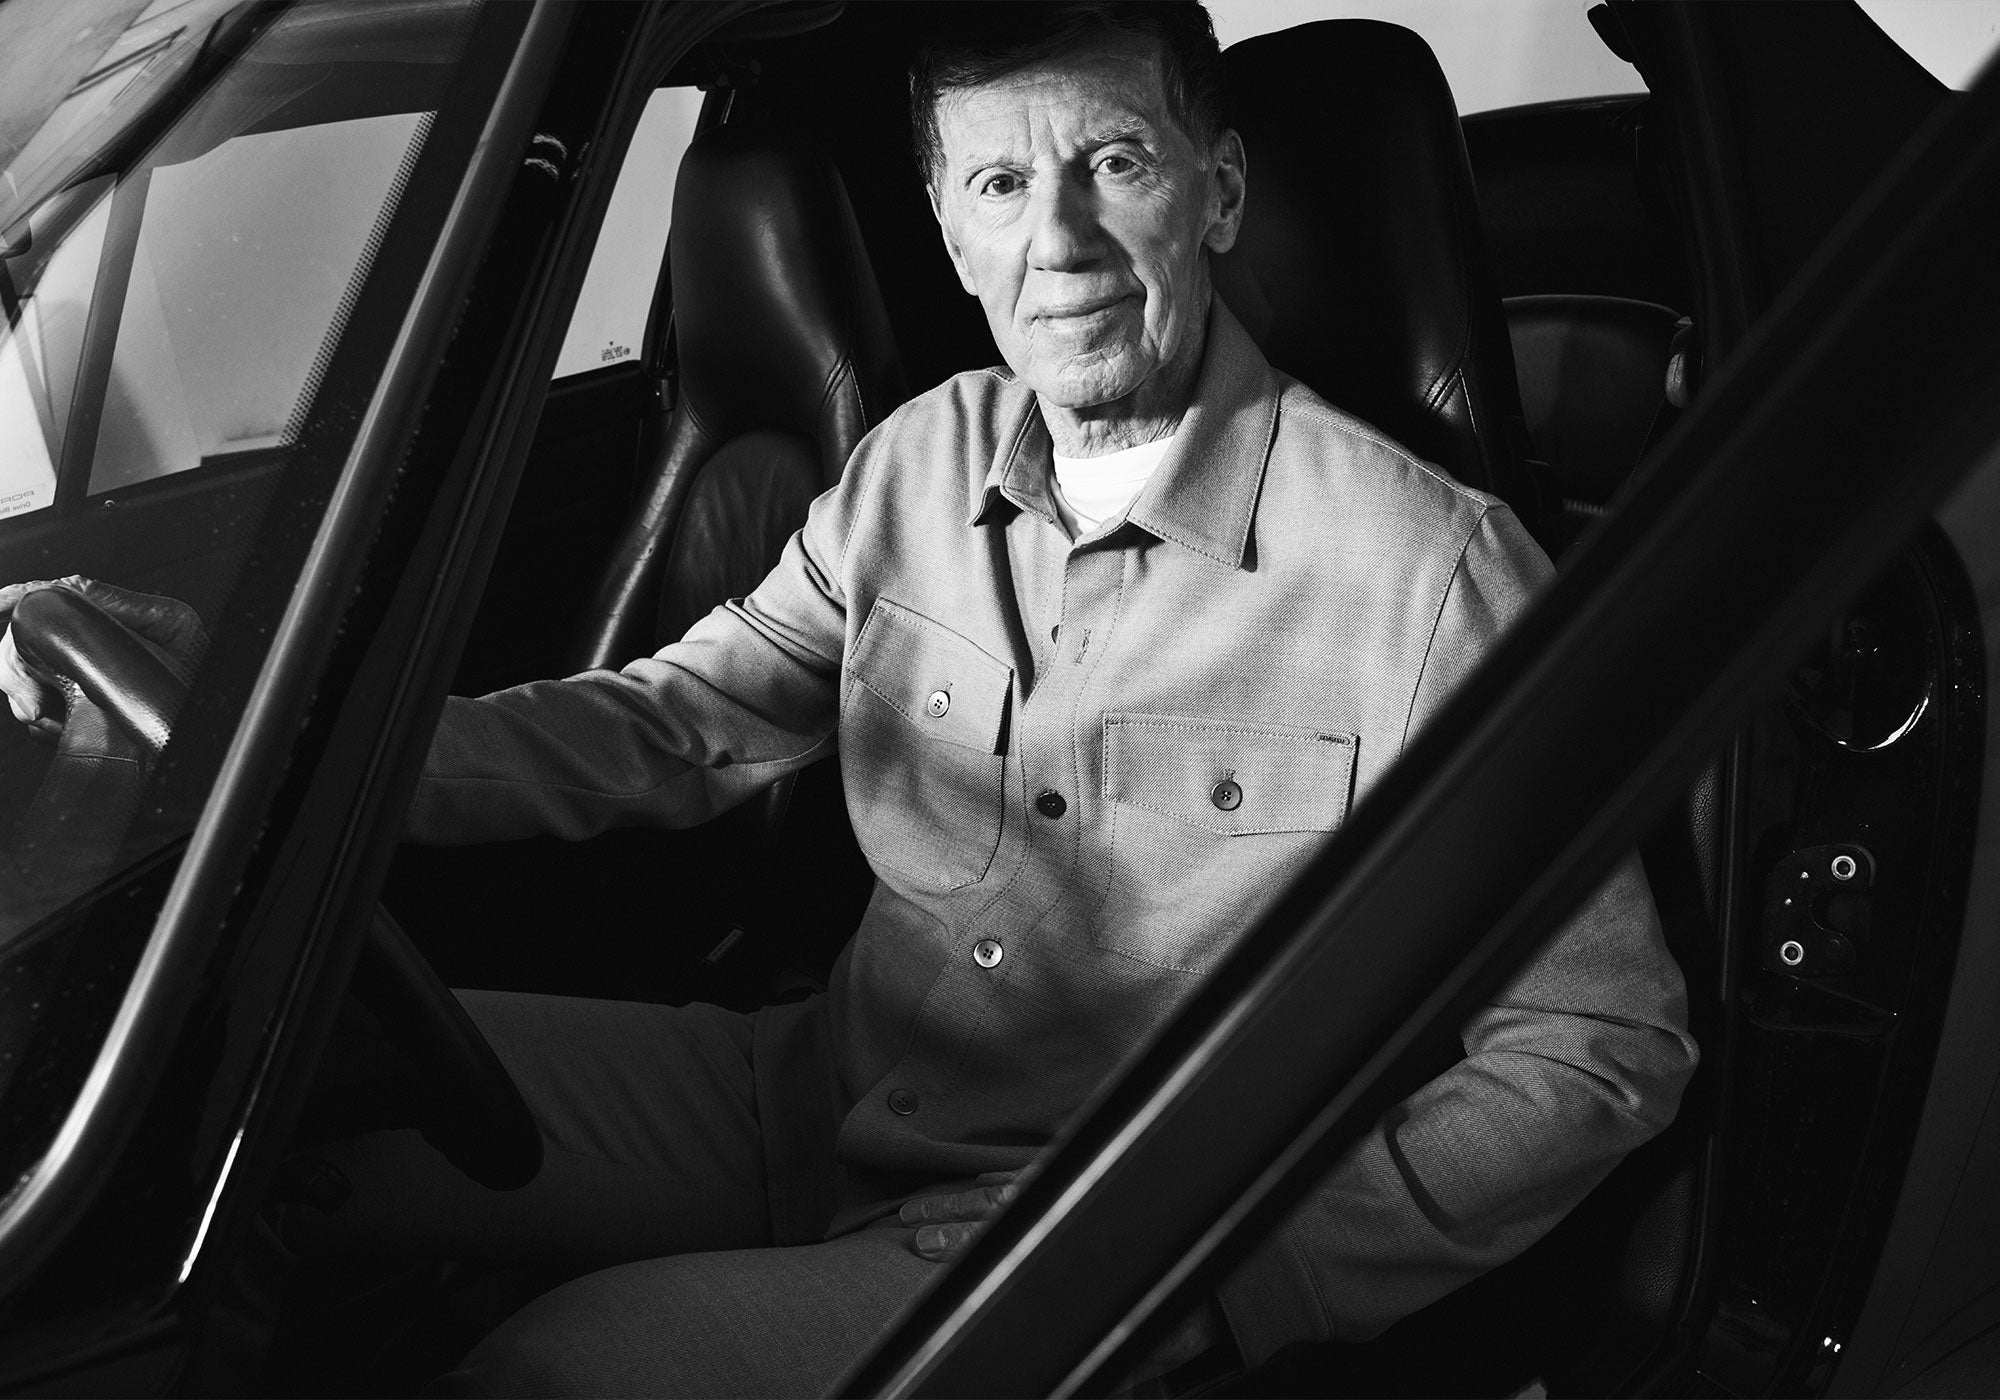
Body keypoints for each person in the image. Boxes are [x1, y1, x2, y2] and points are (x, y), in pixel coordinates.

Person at [0, 5, 1696, 1395]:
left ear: (1221, 192)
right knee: (242, 1102)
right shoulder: (919, 458)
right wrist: (263, 748)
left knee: (556, 1379)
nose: (1065, 242)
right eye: (1002, 183)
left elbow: (1602, 1051)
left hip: (1061, 1216)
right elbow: (677, 725)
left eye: (1115, 163)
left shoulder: (1423, 569)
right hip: (801, 1091)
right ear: (950, 227)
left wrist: (1234, 1271)